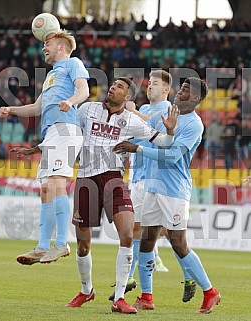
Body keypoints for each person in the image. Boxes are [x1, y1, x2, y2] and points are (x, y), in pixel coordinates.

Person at [65, 77, 179, 314]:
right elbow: (68, 132)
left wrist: (170, 130)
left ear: (127, 97)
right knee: (83, 245)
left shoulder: (131, 121)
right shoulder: (87, 109)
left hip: (114, 179)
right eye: (113, 84)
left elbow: (165, 143)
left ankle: (119, 298)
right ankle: (87, 290)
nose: (113, 87)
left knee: (128, 235)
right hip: (86, 180)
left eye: (119, 87)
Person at [113, 77, 221, 314]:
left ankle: (210, 292)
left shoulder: (194, 124)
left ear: (194, 98)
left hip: (173, 189)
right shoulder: (164, 115)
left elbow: (172, 157)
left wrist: (138, 149)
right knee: (146, 241)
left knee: (178, 242)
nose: (178, 92)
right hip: (151, 186)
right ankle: (147, 296)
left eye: (184, 90)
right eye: (180, 87)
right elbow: (141, 134)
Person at [0, 29, 89, 265]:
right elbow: (37, 108)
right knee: (46, 188)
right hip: (51, 134)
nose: (43, 48)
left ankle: (61, 243)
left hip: (66, 128)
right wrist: (12, 110)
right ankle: (41, 246)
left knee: (57, 183)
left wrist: (70, 102)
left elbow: (84, 90)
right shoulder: (50, 76)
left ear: (61, 46)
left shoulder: (73, 63)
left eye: (47, 44)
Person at [108, 70, 171, 303]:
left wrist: (133, 112)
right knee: (136, 233)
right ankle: (130, 282)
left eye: (155, 84)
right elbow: (133, 135)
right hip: (137, 177)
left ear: (166, 89)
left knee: (156, 236)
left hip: (156, 180)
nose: (150, 87)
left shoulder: (167, 110)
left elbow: (163, 134)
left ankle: (190, 278)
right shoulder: (144, 110)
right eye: (149, 83)